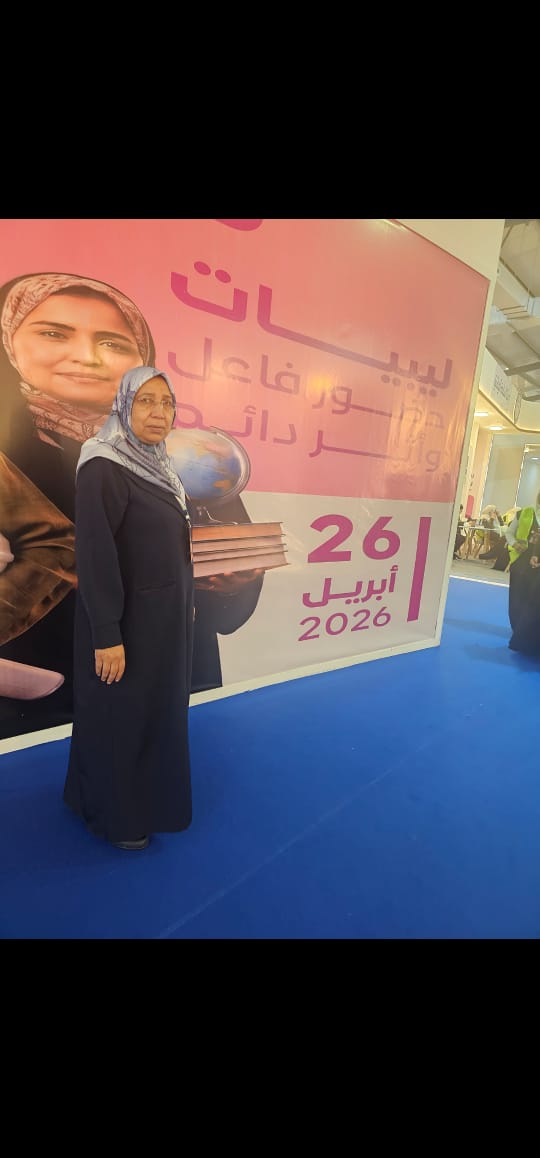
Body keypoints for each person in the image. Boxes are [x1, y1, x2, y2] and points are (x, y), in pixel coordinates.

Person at [0, 271, 263, 737]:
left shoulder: (189, 457)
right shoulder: (9, 459)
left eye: (112, 343)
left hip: (168, 674)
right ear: (8, 341)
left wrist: (233, 581)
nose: (85, 357)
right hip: (45, 705)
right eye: (53, 333)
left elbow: (228, 604)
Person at [63, 366, 193, 850]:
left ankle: (89, 795)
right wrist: (107, 635)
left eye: (167, 403)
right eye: (145, 401)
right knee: (122, 718)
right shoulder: (104, 465)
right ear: (123, 405)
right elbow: (96, 556)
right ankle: (118, 815)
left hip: (161, 623)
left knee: (148, 715)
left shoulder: (157, 465)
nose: (159, 413)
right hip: (126, 626)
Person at [505, 492, 540, 654]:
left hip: (538, 565)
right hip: (520, 562)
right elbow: (509, 533)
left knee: (533, 602)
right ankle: (517, 629)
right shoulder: (524, 512)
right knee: (517, 597)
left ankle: (526, 633)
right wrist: (514, 544)